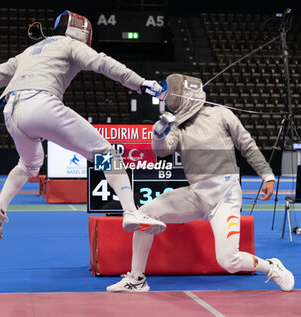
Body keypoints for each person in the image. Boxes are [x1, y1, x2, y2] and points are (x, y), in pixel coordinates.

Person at [0, 10, 167, 239]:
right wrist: (142, 84)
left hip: (11, 112)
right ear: (80, 31)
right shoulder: (70, 44)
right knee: (107, 154)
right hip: (41, 105)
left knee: (29, 165)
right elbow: (103, 63)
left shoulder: (29, 52)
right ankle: (131, 211)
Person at [107, 74, 295, 292]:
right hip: (196, 194)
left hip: (225, 194)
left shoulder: (221, 114)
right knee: (145, 214)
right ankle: (136, 279)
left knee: (229, 261)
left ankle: (270, 266)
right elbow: (162, 151)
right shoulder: (177, 126)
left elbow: (247, 144)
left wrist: (267, 175)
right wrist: (158, 134)